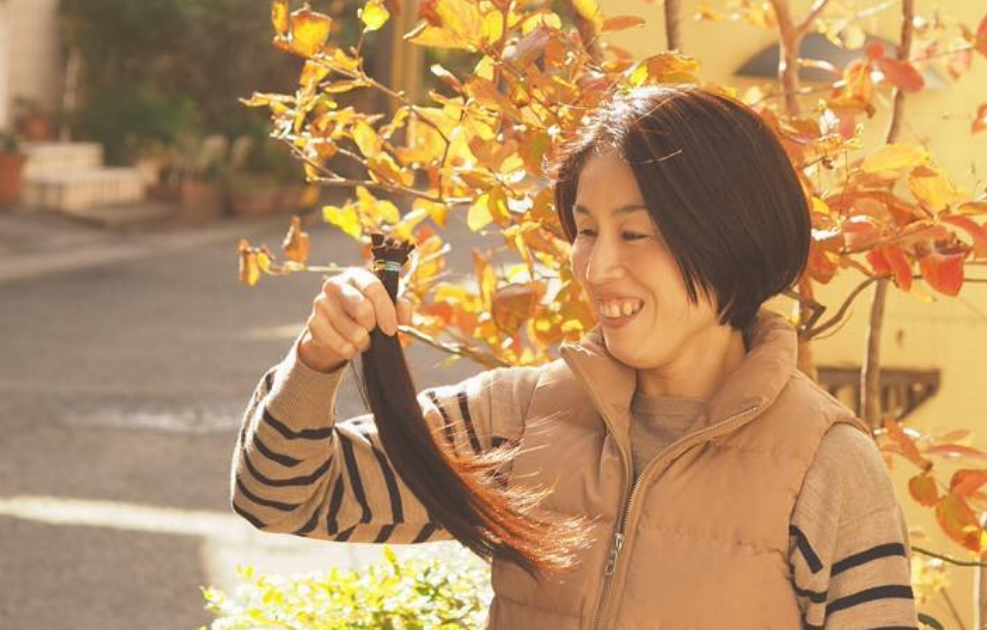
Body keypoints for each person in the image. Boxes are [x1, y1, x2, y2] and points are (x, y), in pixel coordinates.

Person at [229, 85, 918, 629]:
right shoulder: (520, 418)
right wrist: (319, 358)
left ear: (729, 238)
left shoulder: (826, 467)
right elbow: (283, 496)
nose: (597, 266)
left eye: (636, 232)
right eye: (585, 230)